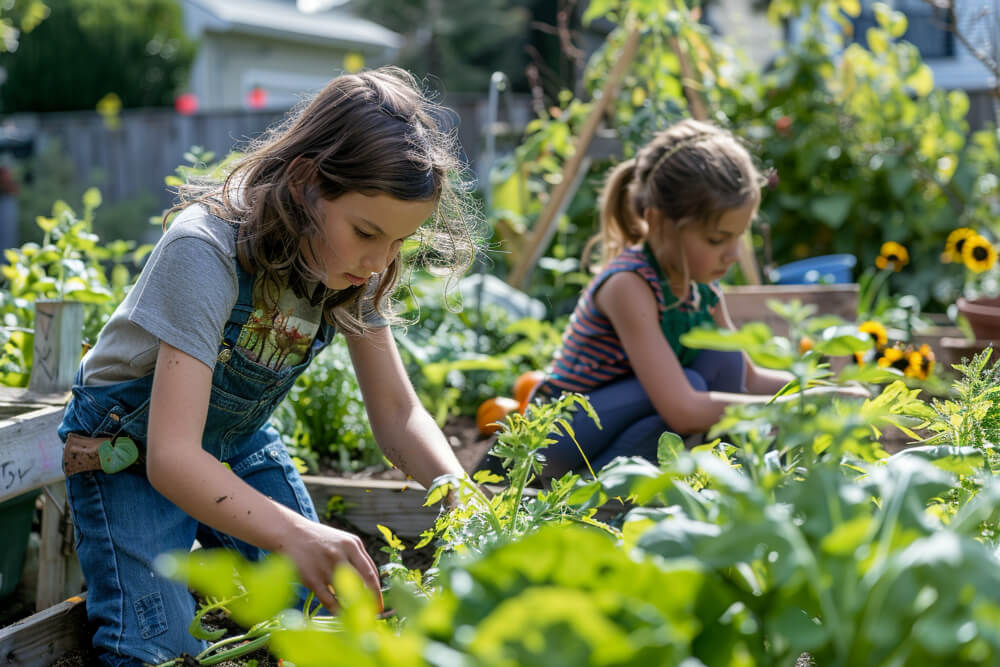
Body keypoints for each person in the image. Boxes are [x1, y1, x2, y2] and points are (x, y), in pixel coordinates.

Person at [57, 67, 480, 666]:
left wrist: (459, 495)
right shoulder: (203, 252)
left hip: (233, 443)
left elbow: (397, 411)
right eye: (366, 232)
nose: (378, 261)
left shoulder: (349, 270)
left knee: (327, 616)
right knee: (161, 650)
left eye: (397, 243)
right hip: (129, 452)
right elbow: (172, 458)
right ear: (306, 182)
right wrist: (297, 533)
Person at [517, 119, 864, 479]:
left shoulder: (703, 292)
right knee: (692, 388)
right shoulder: (629, 286)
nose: (731, 255)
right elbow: (683, 408)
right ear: (660, 222)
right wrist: (785, 410)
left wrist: (824, 392)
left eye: (738, 237)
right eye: (716, 240)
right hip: (557, 440)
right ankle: (598, 490)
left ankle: (718, 471)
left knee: (723, 357)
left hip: (621, 422)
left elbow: (750, 378)